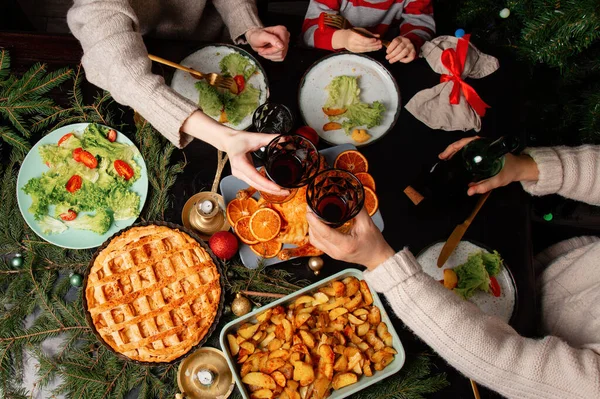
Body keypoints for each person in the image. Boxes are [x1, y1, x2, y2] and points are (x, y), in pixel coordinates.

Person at [306, 138, 600, 398]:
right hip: (557, 263)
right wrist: (525, 166)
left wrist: (382, 263)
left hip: (524, 327)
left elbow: (508, 365)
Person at [67, 0, 291, 195]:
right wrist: (226, 138)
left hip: (211, 35)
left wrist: (248, 26)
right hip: (141, 50)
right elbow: (121, 68)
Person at [301, 0, 435, 64]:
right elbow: (309, 34)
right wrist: (343, 39)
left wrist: (410, 42)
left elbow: (421, 23)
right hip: (328, 57)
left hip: (384, 57)